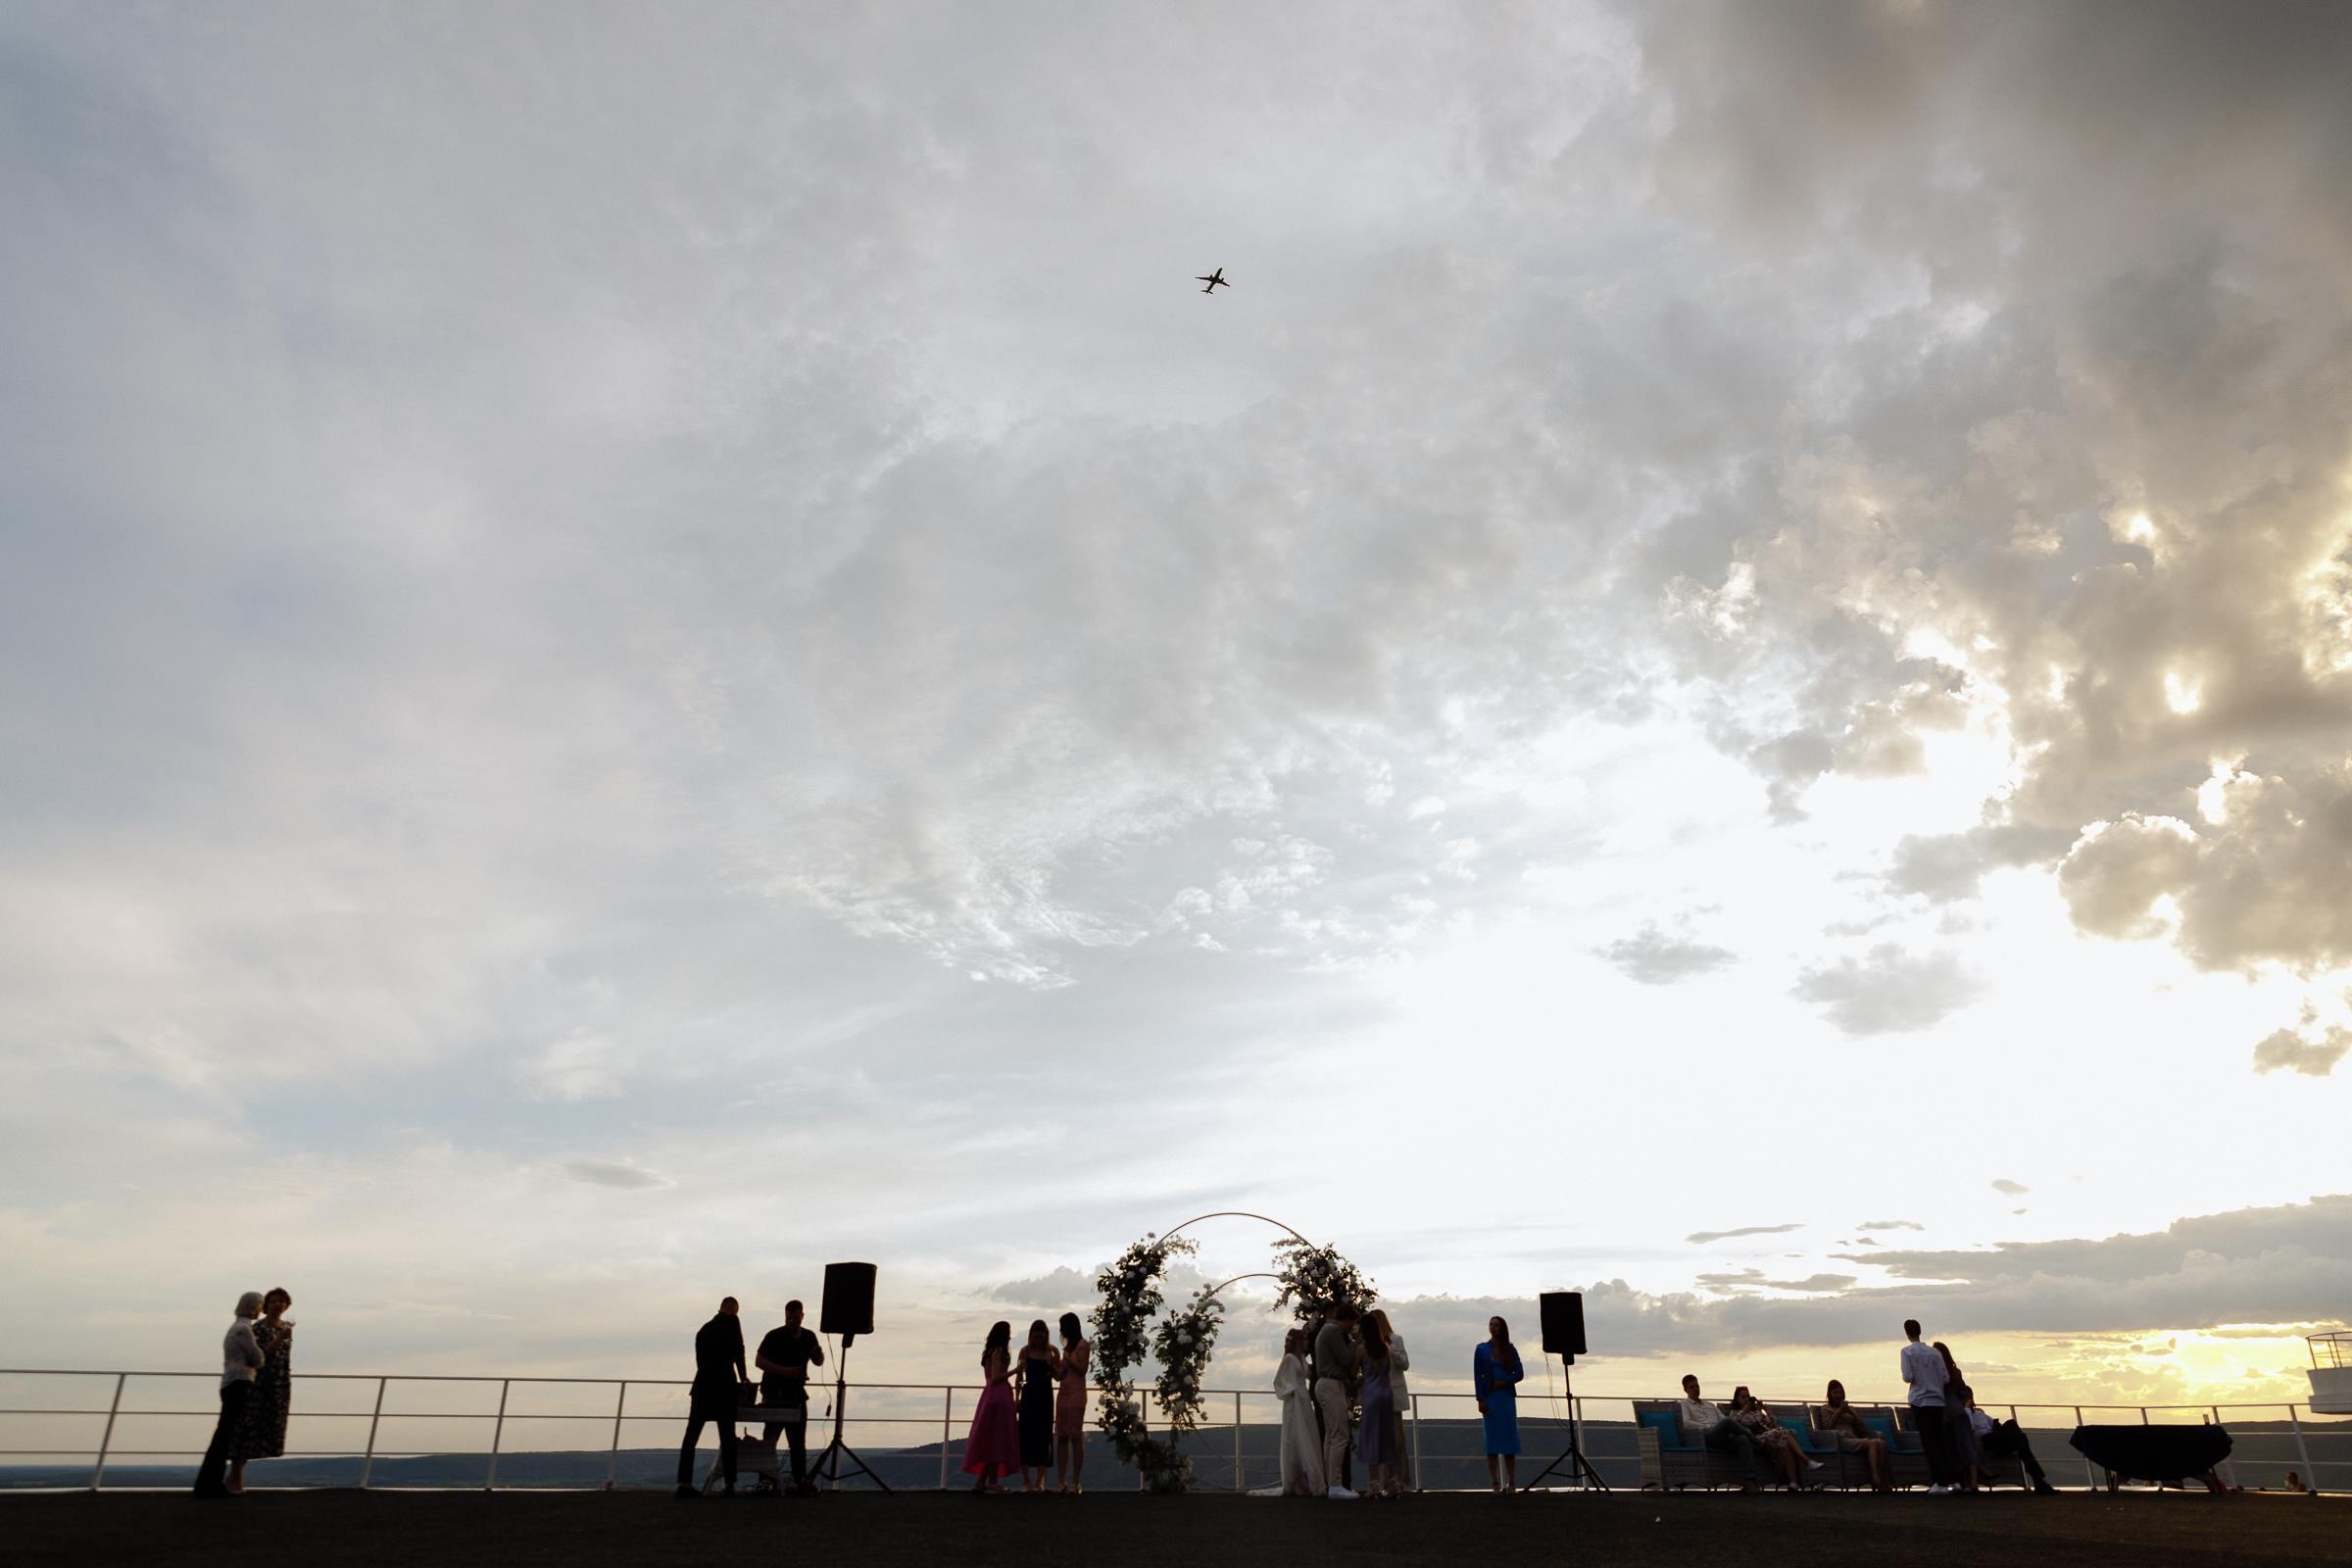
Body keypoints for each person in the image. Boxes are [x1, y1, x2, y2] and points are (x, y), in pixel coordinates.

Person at [192, 1292, 266, 1497]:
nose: (261, 1310)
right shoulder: (244, 1329)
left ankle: (208, 1483)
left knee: (224, 1434)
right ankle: (209, 1484)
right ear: (253, 1307)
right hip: (239, 1383)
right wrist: (257, 1357)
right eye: (260, 1306)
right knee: (224, 1435)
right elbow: (258, 1359)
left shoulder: (237, 1328)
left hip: (232, 1383)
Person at [676, 1296, 748, 1497]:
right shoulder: (732, 1322)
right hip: (724, 1387)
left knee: (691, 1435)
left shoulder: (703, 1330)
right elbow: (739, 1351)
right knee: (727, 1436)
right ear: (734, 1310)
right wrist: (743, 1378)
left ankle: (684, 1483)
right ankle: (730, 1484)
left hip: (703, 1387)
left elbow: (700, 1362)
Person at [226, 1288, 294, 1494]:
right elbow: (259, 1355)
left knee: (266, 1429)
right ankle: (235, 1476)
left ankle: (234, 1477)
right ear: (265, 1306)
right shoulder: (259, 1328)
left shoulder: (285, 1327)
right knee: (248, 1429)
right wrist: (279, 1338)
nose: (278, 1304)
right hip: (259, 1383)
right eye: (273, 1301)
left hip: (278, 1384)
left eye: (281, 1301)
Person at [755, 1298, 824, 1494]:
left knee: (797, 1441)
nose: (792, 1321)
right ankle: (767, 1480)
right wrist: (784, 1372)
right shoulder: (774, 1336)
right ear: (785, 1316)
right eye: (789, 1318)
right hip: (774, 1392)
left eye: (795, 1317)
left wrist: (818, 1354)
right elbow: (759, 1361)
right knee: (771, 1440)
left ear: (802, 1316)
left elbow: (818, 1362)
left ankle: (799, 1479)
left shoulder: (809, 1337)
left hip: (795, 1393)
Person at [1677, 1374, 1766, 1489]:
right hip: (1706, 1436)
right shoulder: (1684, 1404)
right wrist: (1708, 1426)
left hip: (1723, 1436)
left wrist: (1723, 1427)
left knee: (1743, 1439)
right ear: (1685, 1390)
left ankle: (1750, 1480)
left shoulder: (1709, 1405)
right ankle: (1756, 1440)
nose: (1695, 1389)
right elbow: (1686, 1422)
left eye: (1697, 1386)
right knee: (1728, 1422)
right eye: (1691, 1387)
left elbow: (1723, 1418)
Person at [962, 1321, 1021, 1492]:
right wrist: (1016, 1371)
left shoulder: (989, 1352)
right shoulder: (999, 1351)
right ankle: (991, 1482)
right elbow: (996, 1377)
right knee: (998, 1438)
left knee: (992, 1439)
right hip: (999, 1395)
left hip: (989, 1394)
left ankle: (985, 1481)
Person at [1899, 1319, 1955, 1494]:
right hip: (1937, 1400)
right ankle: (1950, 1479)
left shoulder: (1906, 1351)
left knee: (1929, 1443)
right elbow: (1945, 1378)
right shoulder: (1935, 1353)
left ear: (1907, 1333)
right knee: (1941, 1441)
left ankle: (1939, 1482)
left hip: (1920, 1401)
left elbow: (1908, 1376)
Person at [1312, 1301, 1360, 1498]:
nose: (1352, 1327)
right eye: (1352, 1323)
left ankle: (1331, 1483)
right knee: (1340, 1436)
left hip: (1325, 1384)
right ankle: (1335, 1485)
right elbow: (1345, 1359)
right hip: (1331, 1385)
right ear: (1346, 1320)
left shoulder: (1326, 1330)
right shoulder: (1332, 1331)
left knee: (1331, 1437)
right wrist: (1355, 1343)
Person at [1729, 1385, 1819, 1487]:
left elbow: (1775, 1425)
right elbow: (1732, 1424)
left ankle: (1793, 1482)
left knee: (1786, 1445)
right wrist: (1744, 1410)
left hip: (1767, 1436)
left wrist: (1765, 1409)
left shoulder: (1757, 1413)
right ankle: (1806, 1461)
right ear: (1737, 1399)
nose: (1746, 1399)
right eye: (1743, 1397)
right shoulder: (1734, 1413)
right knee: (1785, 1432)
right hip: (1754, 1439)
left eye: (1748, 1397)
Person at [1274, 1327, 1328, 1497]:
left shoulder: (1302, 1358)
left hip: (1304, 1399)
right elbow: (1278, 1381)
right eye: (1304, 1339)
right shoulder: (1289, 1358)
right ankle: (1295, 1479)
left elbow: (1308, 1375)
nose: (1307, 1343)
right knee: (1294, 1436)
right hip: (1294, 1400)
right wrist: (1290, 1391)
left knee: (1307, 1435)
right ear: (1298, 1342)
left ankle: (1304, 1478)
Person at [1966, 1394, 2056, 1494]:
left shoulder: (1980, 1414)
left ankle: (2037, 1479)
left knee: (2012, 1425)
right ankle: (2038, 1480)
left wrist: (1999, 1428)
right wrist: (1966, 1408)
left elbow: (1995, 1425)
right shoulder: (1964, 1414)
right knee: (2020, 1438)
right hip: (1986, 1440)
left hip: (1997, 1438)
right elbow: (1969, 1427)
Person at [1474, 1316, 1524, 1494]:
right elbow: (1477, 1376)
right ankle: (1494, 1482)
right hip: (1490, 1398)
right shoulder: (1481, 1349)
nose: (1493, 1327)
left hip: (1506, 1398)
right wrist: (1480, 1399)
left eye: (1497, 1325)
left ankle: (1512, 1482)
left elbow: (1519, 1373)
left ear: (1503, 1328)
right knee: (1492, 1441)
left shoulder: (1510, 1349)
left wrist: (1504, 1382)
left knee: (1509, 1440)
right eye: (1491, 1324)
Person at [1357, 1311, 1401, 1498]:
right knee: (1387, 1437)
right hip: (1386, 1394)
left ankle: (1374, 1484)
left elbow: (1353, 1371)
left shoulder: (1362, 1349)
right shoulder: (1386, 1348)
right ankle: (1393, 1482)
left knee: (1371, 1437)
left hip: (1370, 1395)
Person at [1820, 1379, 1891, 1491]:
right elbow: (1827, 1426)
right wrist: (1839, 1411)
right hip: (1840, 1439)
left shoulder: (1850, 1409)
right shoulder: (1825, 1408)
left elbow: (1863, 1428)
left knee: (1880, 1443)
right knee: (1873, 1443)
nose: (1838, 1395)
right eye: (1835, 1392)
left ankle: (1880, 1478)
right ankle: (1876, 1478)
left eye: (1840, 1392)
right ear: (1830, 1394)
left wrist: (1851, 1412)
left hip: (1853, 1438)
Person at [1014, 1319, 1060, 1493]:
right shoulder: (1025, 1351)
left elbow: (1058, 1377)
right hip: (1029, 1395)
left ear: (1046, 1336)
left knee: (1044, 1437)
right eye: (1035, 1337)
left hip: (1045, 1396)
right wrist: (1016, 1398)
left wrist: (1053, 1364)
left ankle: (1040, 1481)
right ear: (1030, 1336)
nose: (1038, 1340)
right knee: (1024, 1437)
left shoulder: (1053, 1351)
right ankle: (1026, 1481)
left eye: (1041, 1337)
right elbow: (1019, 1377)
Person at [1369, 1308, 1411, 1491]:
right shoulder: (1369, 1343)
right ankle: (1381, 1481)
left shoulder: (1396, 1339)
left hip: (1393, 1395)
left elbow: (1405, 1364)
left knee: (1396, 1439)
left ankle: (1397, 1479)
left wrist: (1392, 1350)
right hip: (1377, 1395)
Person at [1934, 1343, 1982, 1490]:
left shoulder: (1936, 1372)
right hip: (1959, 1411)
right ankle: (1974, 1481)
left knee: (1952, 1447)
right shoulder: (1955, 1372)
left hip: (1945, 1412)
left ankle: (1960, 1482)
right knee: (1967, 1445)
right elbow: (1963, 1391)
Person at [1054, 1312, 1091, 1494]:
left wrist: (1067, 1359)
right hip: (1063, 1393)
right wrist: (1053, 1365)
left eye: (1063, 1326)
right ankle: (1062, 1481)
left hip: (1077, 1394)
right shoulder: (1067, 1348)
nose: (1061, 1330)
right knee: (1062, 1436)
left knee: (1075, 1437)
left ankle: (1075, 1482)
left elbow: (1083, 1370)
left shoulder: (1083, 1345)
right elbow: (1059, 1376)